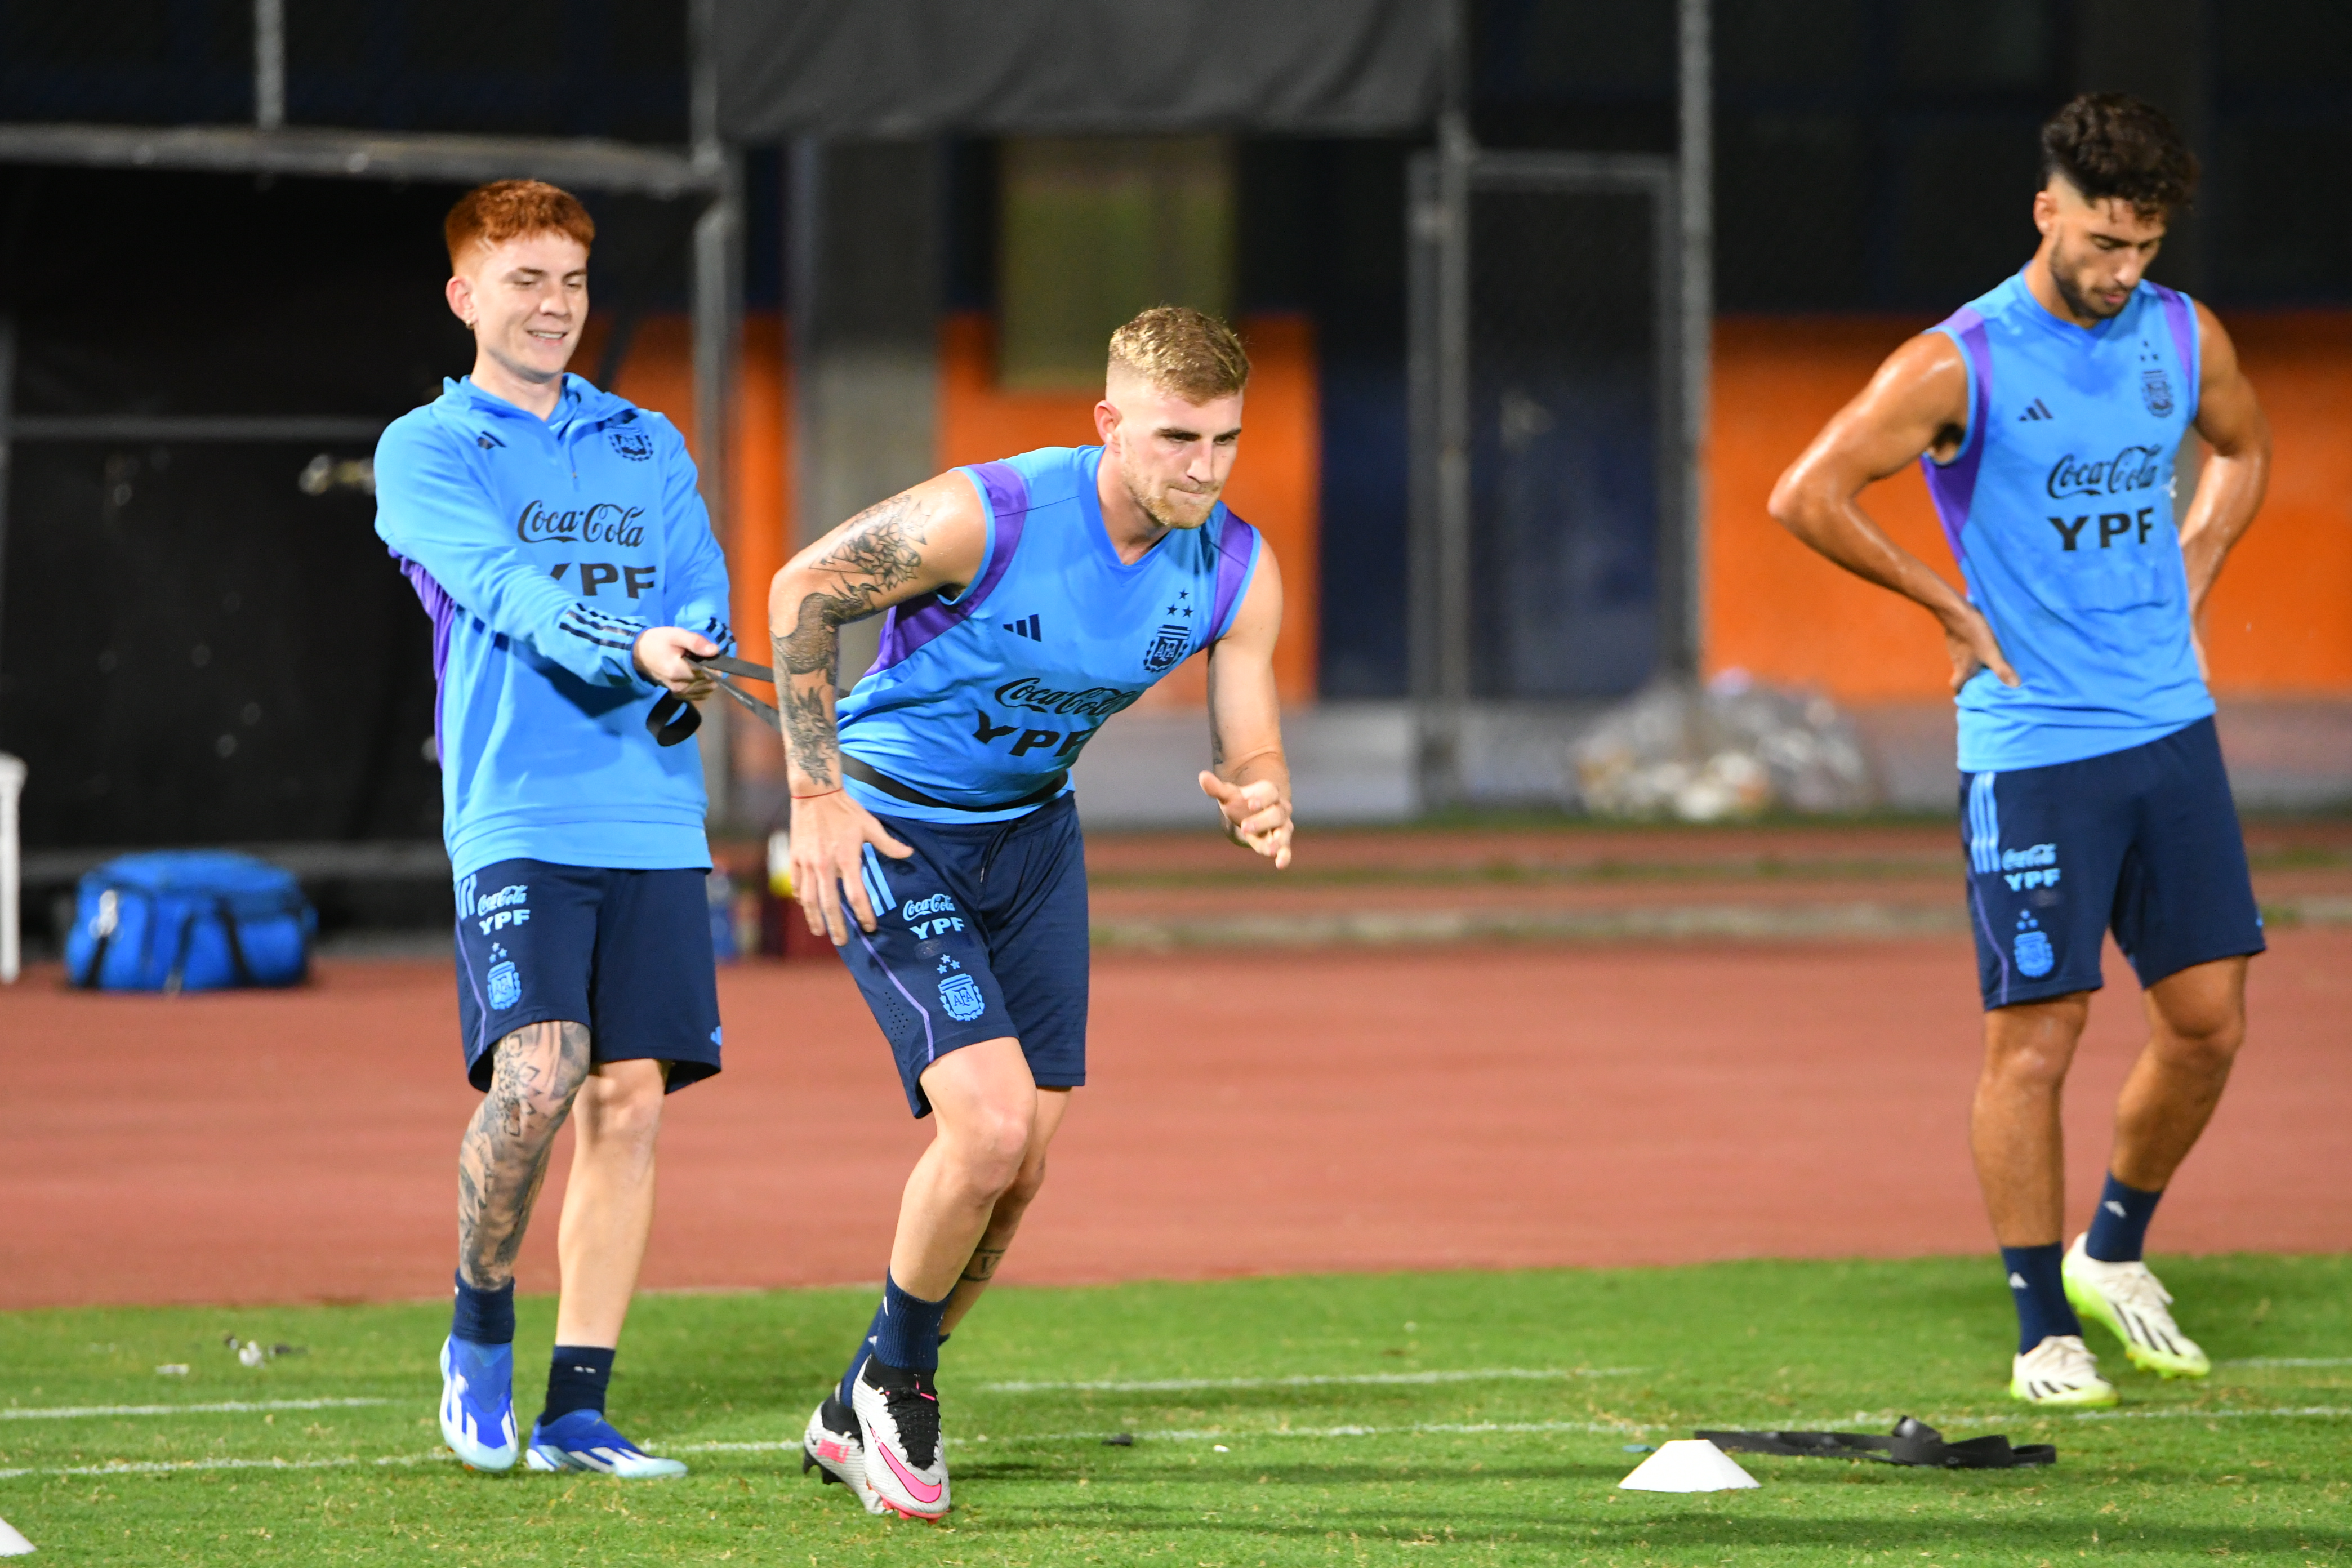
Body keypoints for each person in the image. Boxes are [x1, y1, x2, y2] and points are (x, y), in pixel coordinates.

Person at [1770, 96, 2271, 1407]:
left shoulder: (2182, 333)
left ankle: (2113, 1251)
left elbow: (2244, 447)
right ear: (2048, 211)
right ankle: (2042, 1322)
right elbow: (1806, 493)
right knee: (2038, 1042)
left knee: (2208, 1027)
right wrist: (1946, 608)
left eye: (2144, 246)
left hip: (2171, 725)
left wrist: (2200, 560)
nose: (2123, 271)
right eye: (2103, 242)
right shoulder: (1960, 362)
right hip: (2036, 742)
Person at [772, 306, 1293, 1518]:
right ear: (1109, 423)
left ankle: (856, 1402)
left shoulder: (1235, 566)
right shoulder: (990, 513)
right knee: (992, 1127)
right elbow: (804, 587)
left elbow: (1252, 732)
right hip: (894, 830)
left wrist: (1260, 795)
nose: (1205, 469)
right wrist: (814, 795)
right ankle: (899, 1389)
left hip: (1034, 844)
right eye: (1177, 439)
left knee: (1023, 1166)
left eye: (1224, 440)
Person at [375, 179, 735, 1476]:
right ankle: (479, 1329)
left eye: (573, 281)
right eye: (526, 281)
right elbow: (505, 590)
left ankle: (578, 1411)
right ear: (465, 295)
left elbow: (699, 583)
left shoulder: (647, 440)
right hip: (517, 808)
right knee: (537, 1078)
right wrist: (632, 645)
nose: (555, 306)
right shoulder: (425, 448)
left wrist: (698, 650)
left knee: (630, 1103)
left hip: (651, 811)